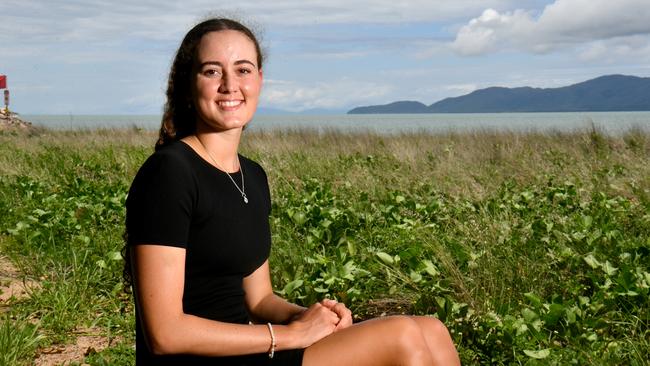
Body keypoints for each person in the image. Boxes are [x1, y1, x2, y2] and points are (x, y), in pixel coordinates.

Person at [123, 17, 461, 365]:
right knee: (402, 337)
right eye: (212, 71)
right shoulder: (169, 173)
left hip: (254, 348)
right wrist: (290, 335)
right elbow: (165, 333)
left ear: (259, 80)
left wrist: (313, 317)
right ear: (187, 85)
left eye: (243, 70)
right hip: (203, 356)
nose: (229, 85)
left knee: (431, 329)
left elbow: (259, 300)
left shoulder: (251, 176)